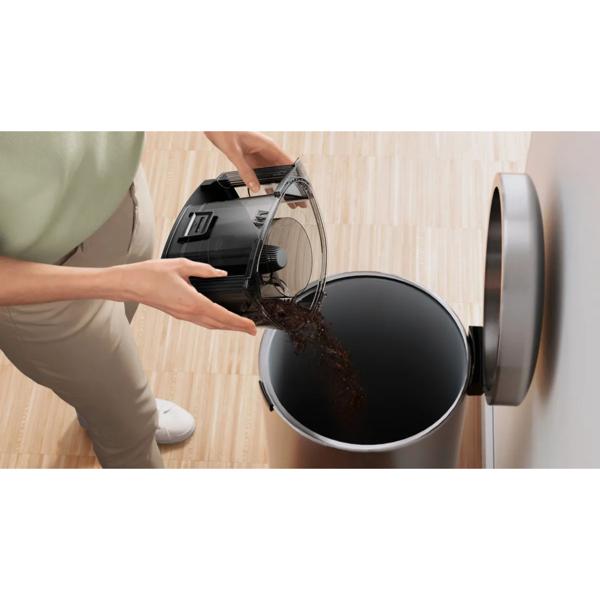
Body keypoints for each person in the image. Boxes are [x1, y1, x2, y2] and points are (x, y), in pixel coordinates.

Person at [0, 131, 293, 468]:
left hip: (123, 196)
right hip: (43, 283)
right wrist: (123, 283)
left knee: (114, 345)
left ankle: (100, 405)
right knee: (128, 431)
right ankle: (122, 415)